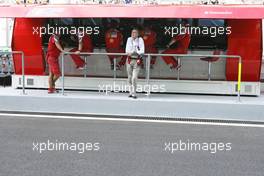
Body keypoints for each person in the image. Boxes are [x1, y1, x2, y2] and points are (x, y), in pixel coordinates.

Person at [125, 28, 145, 99]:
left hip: (137, 60)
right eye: (132, 32)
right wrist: (132, 52)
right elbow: (127, 51)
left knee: (134, 78)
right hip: (129, 60)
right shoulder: (129, 39)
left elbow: (142, 51)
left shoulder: (140, 40)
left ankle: (134, 93)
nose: (134, 34)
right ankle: (130, 92)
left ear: (138, 34)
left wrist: (135, 52)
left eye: (135, 33)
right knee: (129, 77)